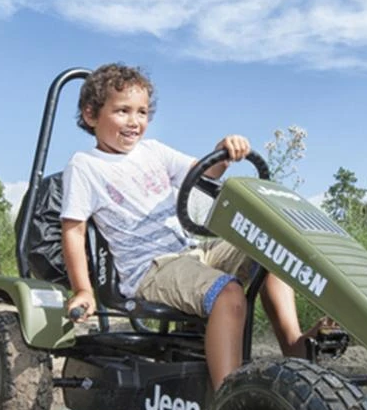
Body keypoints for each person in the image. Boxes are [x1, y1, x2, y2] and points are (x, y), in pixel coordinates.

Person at [60, 62, 322, 390]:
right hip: (150, 270)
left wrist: (223, 153)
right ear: (90, 115)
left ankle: (295, 349)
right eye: (122, 111)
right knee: (229, 294)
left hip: (192, 251)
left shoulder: (152, 152)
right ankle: (228, 397)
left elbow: (204, 172)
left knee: (269, 248)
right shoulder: (85, 166)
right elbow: (74, 230)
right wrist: (83, 290)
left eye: (141, 112)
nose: (134, 121)